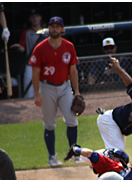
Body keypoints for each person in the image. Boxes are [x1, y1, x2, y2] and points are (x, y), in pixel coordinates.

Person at [29, 16, 82, 166]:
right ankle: (52, 157)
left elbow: (73, 71)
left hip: (65, 86)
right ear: (48, 29)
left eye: (57, 26)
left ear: (62, 29)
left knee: (72, 120)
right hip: (46, 87)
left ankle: (74, 153)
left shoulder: (69, 46)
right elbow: (35, 73)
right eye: (52, 26)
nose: (54, 29)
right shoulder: (40, 48)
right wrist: (37, 94)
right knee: (49, 124)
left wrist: (76, 91)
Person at [10, 9, 44, 98]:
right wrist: (18, 47)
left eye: (36, 16)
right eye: (32, 17)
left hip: (45, 65)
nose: (35, 19)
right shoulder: (26, 32)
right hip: (31, 65)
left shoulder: (47, 32)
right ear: (29, 19)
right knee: (28, 93)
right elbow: (22, 48)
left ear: (40, 18)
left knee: (45, 93)